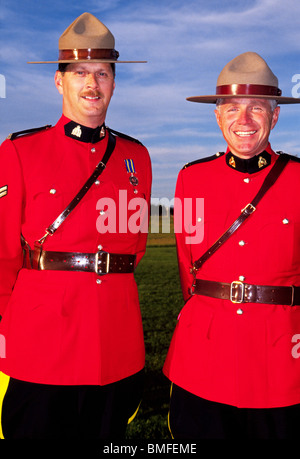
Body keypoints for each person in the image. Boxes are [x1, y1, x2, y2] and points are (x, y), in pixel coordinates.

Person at [0, 12, 151, 439]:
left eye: (102, 73)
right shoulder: (19, 151)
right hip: (40, 346)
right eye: (79, 72)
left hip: (114, 343)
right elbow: (3, 255)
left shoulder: (136, 157)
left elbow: (133, 250)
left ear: (114, 82)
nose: (92, 84)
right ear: (59, 81)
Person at [163, 51, 300, 439]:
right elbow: (187, 269)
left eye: (257, 108)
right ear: (217, 115)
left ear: (275, 116)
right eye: (232, 108)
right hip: (204, 357)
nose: (243, 121)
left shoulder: (298, 179)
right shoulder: (191, 179)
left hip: (281, 363)